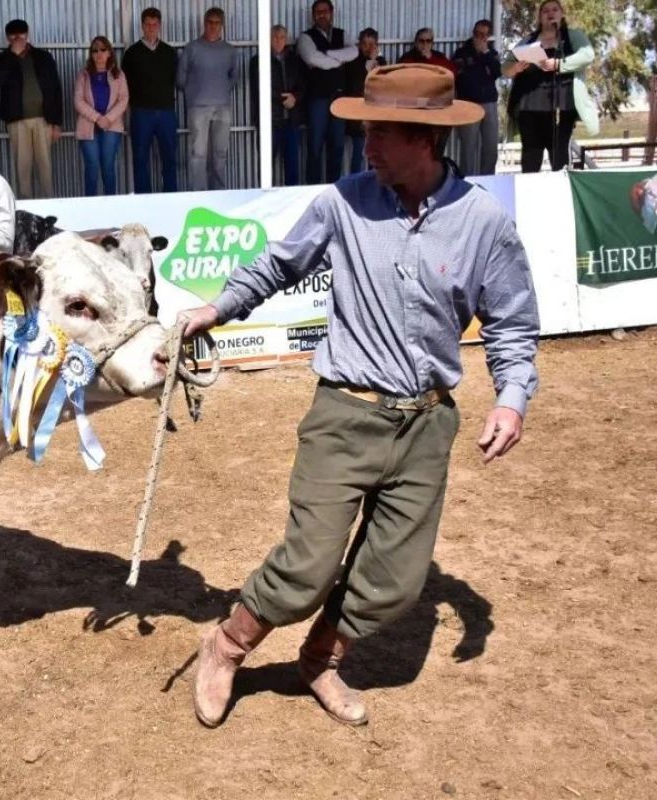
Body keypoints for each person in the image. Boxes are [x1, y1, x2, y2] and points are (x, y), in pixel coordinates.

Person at [182, 63, 539, 729]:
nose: (366, 147)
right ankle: (226, 647)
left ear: (426, 141)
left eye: (379, 134)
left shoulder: (483, 223)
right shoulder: (342, 202)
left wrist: (512, 396)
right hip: (344, 413)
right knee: (309, 564)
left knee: (396, 579)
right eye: (365, 132)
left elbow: (512, 320)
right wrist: (218, 308)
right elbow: (277, 265)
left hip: (427, 424)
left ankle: (320, 658)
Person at [502, 0, 599, 173]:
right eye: (545, 11)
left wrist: (559, 64)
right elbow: (506, 68)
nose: (550, 13)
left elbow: (588, 55)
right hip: (529, 107)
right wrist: (515, 68)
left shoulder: (572, 36)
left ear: (561, 14)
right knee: (530, 160)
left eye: (555, 10)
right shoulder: (528, 40)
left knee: (559, 158)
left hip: (561, 108)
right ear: (539, 17)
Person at [0, 19, 64, 199]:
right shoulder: (1, 59)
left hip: (44, 120)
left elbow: (55, 88)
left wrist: (56, 122)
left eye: (21, 34)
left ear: (27, 34)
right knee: (22, 167)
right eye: (13, 35)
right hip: (17, 121)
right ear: (7, 38)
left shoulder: (43, 57)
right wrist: (12, 57)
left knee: (45, 167)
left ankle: (50, 206)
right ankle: (26, 207)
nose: (18, 38)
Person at [297, 0, 359, 184]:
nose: (321, 15)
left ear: (332, 13)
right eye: (317, 12)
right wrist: (338, 59)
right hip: (317, 98)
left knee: (338, 146)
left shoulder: (342, 33)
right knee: (315, 146)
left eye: (324, 11)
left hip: (339, 98)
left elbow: (353, 52)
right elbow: (312, 57)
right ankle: (312, 189)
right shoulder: (305, 37)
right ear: (312, 15)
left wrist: (328, 54)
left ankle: (334, 187)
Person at [177, 7, 239, 191]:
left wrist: (221, 91)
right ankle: (199, 195)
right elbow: (180, 77)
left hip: (223, 107)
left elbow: (234, 76)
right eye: (209, 22)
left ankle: (219, 192)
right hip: (198, 107)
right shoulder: (192, 48)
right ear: (204, 24)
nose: (213, 26)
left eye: (216, 22)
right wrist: (193, 93)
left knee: (220, 153)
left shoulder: (229, 50)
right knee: (198, 154)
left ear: (222, 25)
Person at [122, 7, 179, 194]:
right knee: (140, 160)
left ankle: (170, 197)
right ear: (142, 26)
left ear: (160, 25)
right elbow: (125, 85)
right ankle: (143, 200)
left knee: (169, 158)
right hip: (141, 113)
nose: (151, 28)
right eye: (148, 24)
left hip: (166, 112)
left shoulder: (170, 53)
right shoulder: (131, 53)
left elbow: (175, 79)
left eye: (155, 24)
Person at [74, 36, 129, 197]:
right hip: (88, 126)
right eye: (95, 50)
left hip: (111, 127)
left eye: (103, 49)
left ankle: (111, 204)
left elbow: (124, 98)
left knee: (108, 166)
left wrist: (108, 118)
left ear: (109, 53)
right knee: (91, 166)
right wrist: (98, 118)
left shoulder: (118, 74)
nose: (99, 53)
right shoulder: (83, 75)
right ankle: (90, 205)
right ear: (91, 54)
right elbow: (78, 100)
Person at [250, 25, 305, 186]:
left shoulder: (296, 60)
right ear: (268, 39)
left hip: (291, 121)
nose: (278, 40)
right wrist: (284, 99)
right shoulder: (257, 61)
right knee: (266, 167)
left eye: (282, 37)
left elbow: (304, 84)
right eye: (275, 37)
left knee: (292, 166)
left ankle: (292, 204)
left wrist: (295, 97)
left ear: (287, 39)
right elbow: (259, 88)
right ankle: (264, 202)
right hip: (270, 121)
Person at [452, 20, 502, 176]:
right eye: (477, 34)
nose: (479, 38)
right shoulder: (461, 52)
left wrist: (485, 54)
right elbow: (461, 78)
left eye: (483, 35)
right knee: (468, 149)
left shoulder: (491, 53)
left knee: (490, 148)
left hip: (489, 103)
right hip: (469, 104)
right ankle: (467, 181)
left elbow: (496, 73)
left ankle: (488, 180)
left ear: (488, 37)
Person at [343, 28, 387, 175]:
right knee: (359, 153)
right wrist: (369, 63)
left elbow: (383, 85)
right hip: (359, 114)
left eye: (371, 44)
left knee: (376, 153)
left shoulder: (381, 62)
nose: (368, 47)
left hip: (376, 115)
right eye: (365, 44)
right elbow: (357, 84)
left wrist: (374, 62)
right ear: (359, 45)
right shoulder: (353, 62)